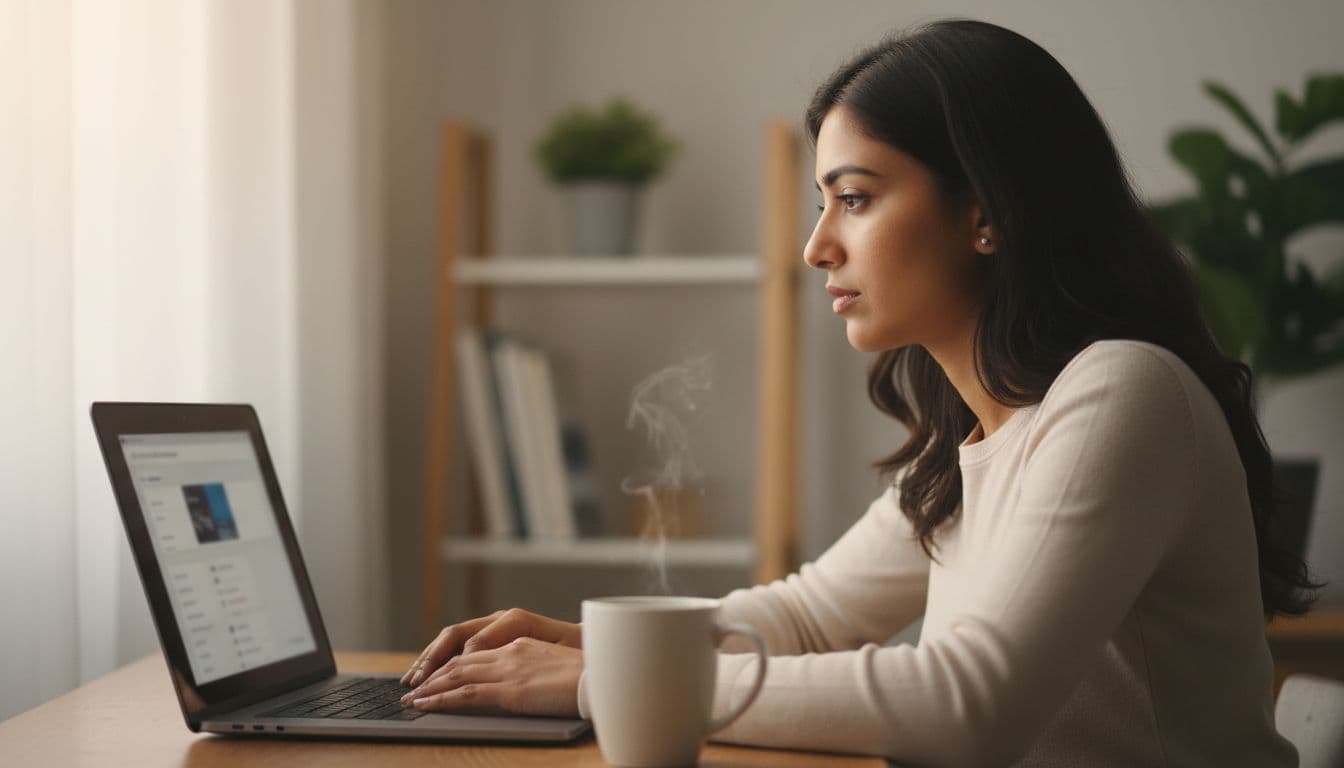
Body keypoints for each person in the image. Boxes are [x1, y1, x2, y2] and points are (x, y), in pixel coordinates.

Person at [397, 19, 1319, 766]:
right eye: (822, 200)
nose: (817, 246)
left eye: (857, 198)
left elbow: (968, 705)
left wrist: (620, 687)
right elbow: (809, 616)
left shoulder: (1125, 394)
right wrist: (605, 648)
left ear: (986, 213)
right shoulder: (978, 428)